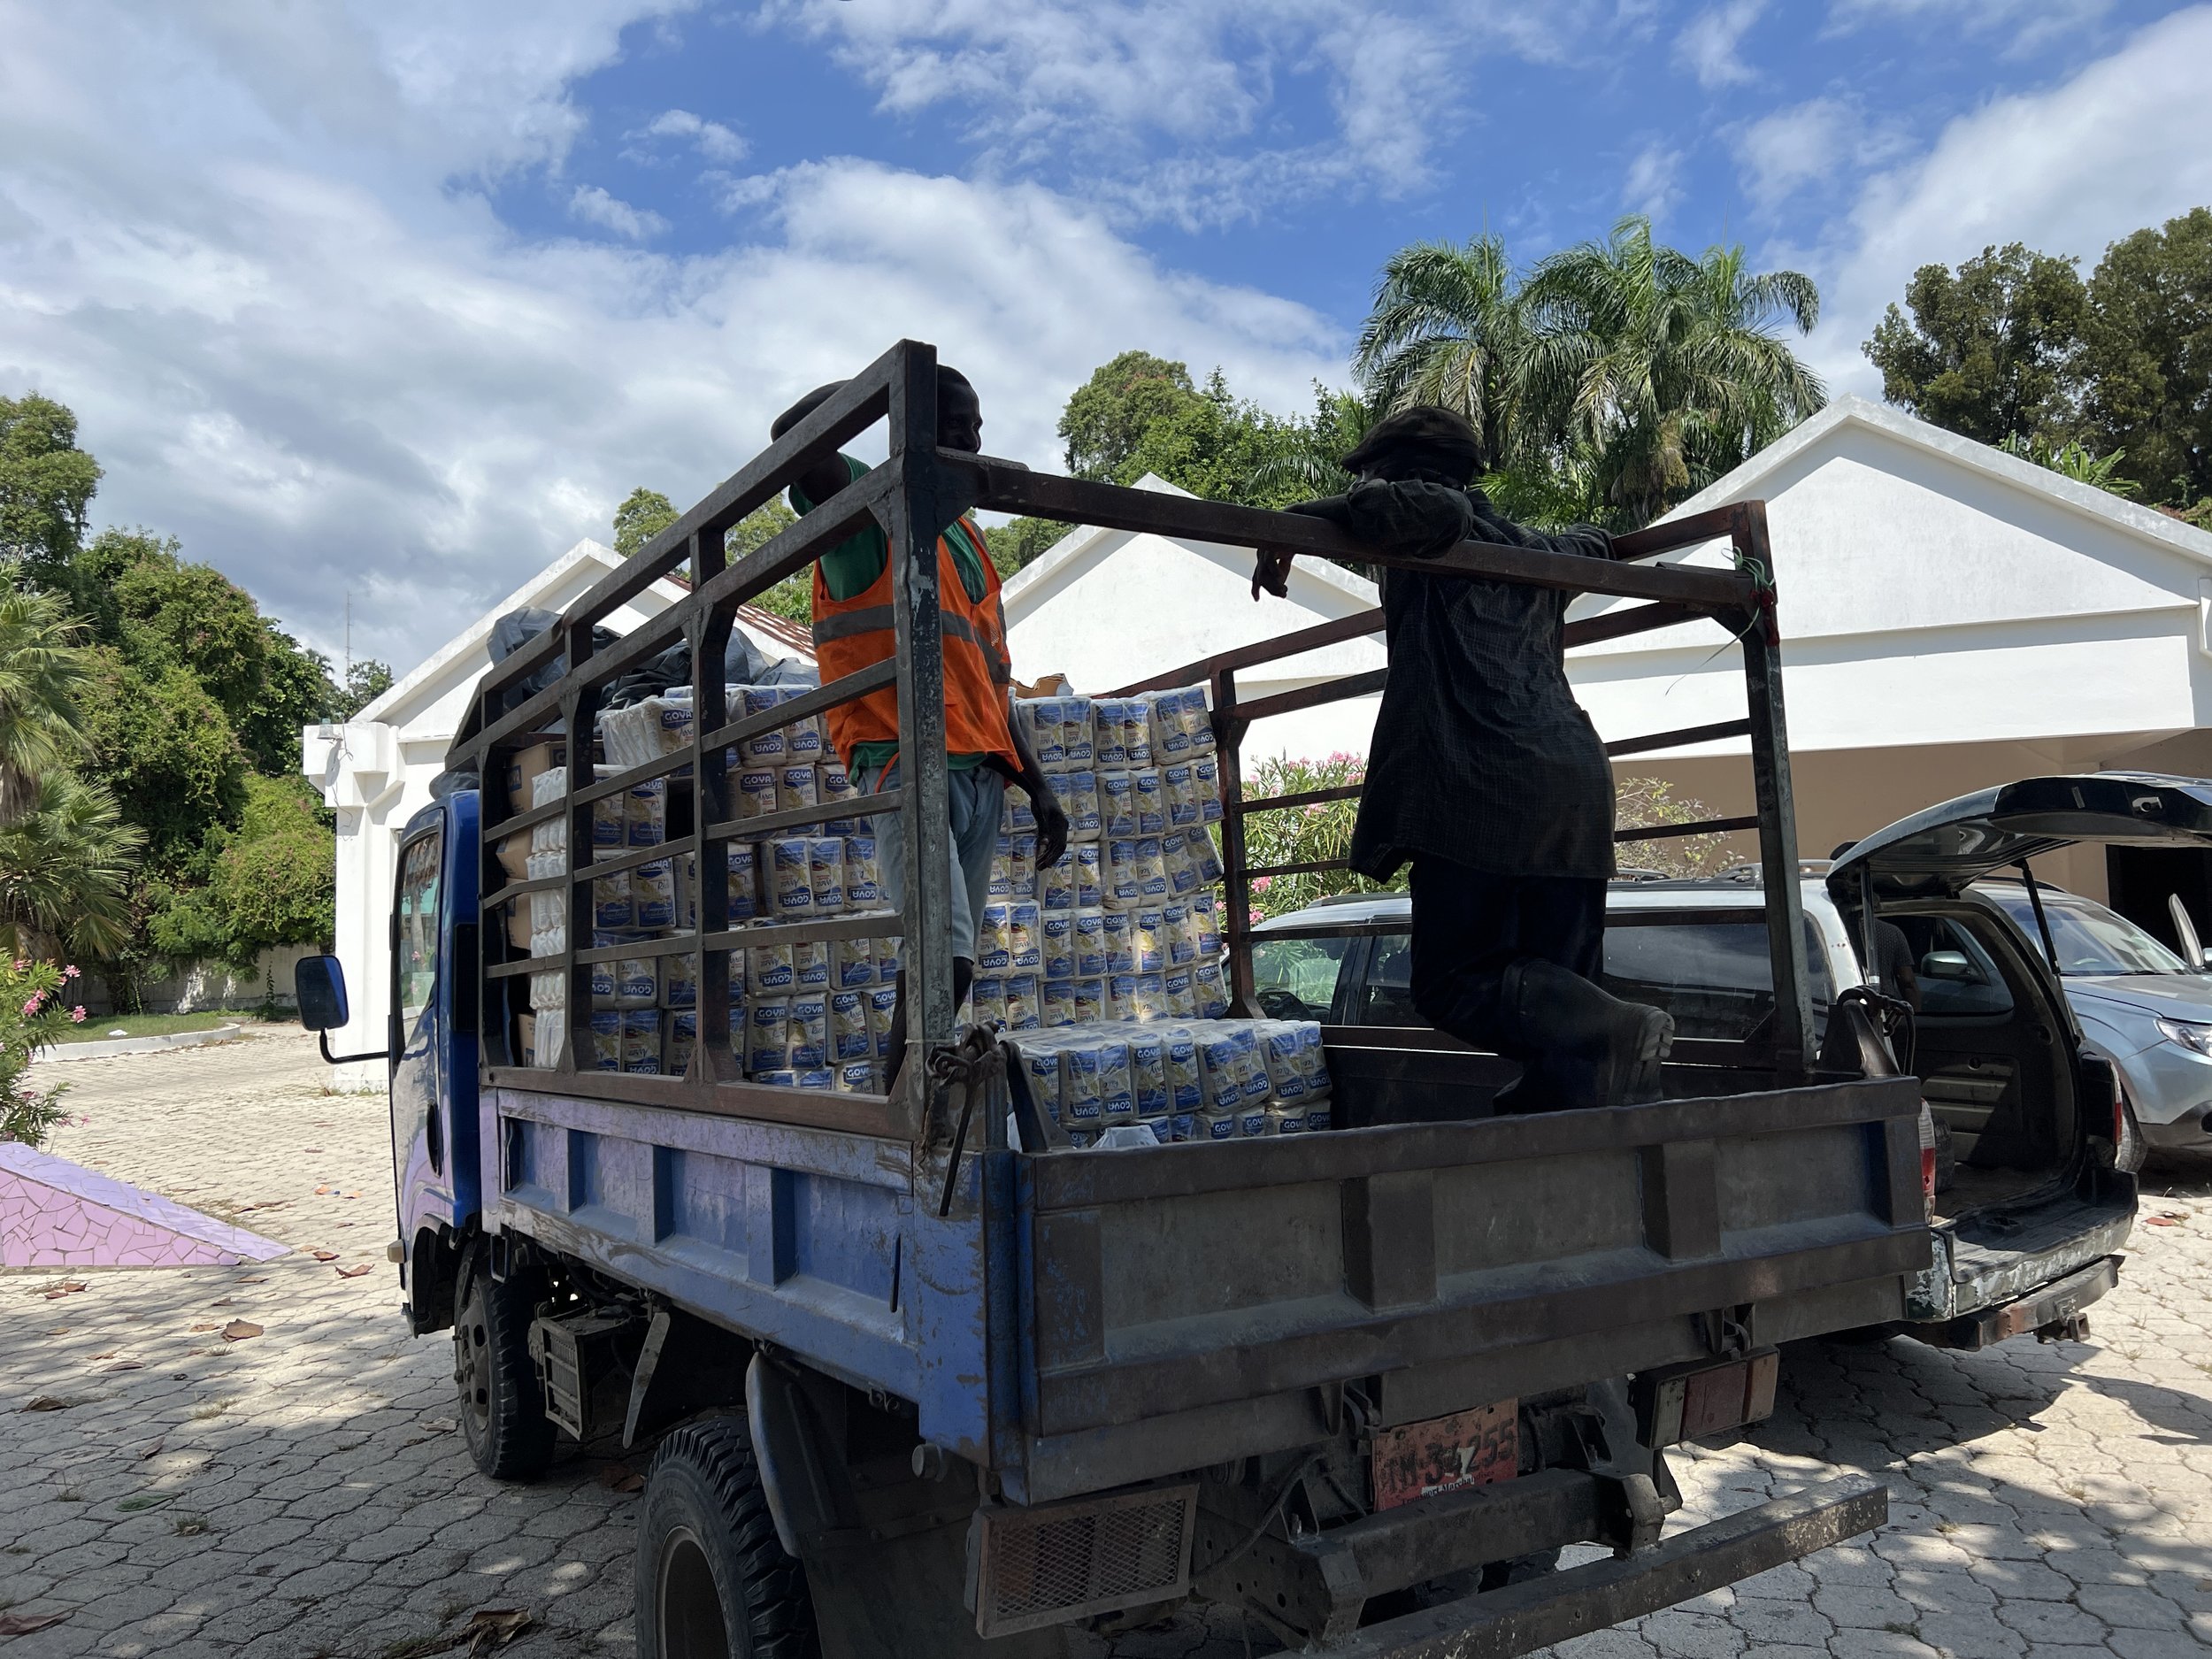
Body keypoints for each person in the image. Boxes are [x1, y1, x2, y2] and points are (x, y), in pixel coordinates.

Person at [1266, 405, 1671, 1111]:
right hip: (1573, 784)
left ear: (1399, 474)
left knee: (1450, 981)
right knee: (1562, 992)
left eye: (1367, 478)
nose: (1360, 494)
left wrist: (1294, 521)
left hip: (1479, 782)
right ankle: (1568, 1111)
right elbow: (1593, 543)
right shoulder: (1536, 549)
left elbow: (1419, 505)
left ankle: (1620, 1021)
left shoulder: (1433, 520)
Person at [771, 369, 1068, 1087]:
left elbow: (991, 677)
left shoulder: (967, 536)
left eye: (977, 425)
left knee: (944, 955)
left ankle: (907, 1084)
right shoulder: (870, 504)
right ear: (914, 424)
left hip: (980, 772)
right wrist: (885, 377)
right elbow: (790, 439)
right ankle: (900, 1093)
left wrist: (1040, 788)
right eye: (958, 423)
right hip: (906, 760)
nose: (975, 439)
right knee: (947, 953)